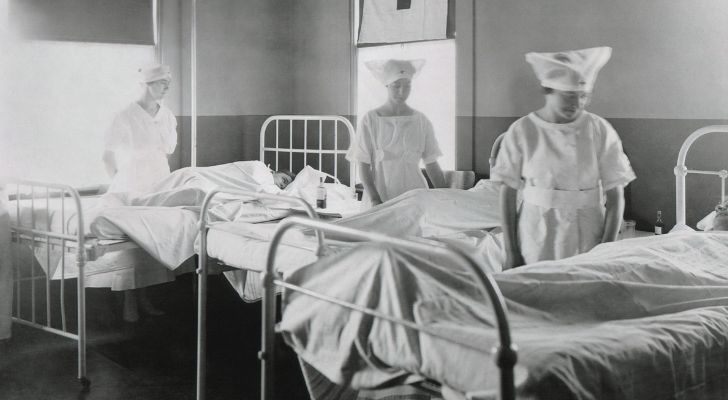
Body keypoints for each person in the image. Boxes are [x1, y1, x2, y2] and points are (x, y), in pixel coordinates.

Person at [491, 47, 636, 269]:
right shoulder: (523, 131)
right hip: (537, 234)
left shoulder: (599, 130)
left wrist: (605, 250)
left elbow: (616, 197)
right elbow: (507, 195)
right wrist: (511, 252)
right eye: (568, 97)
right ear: (548, 90)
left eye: (583, 97)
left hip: (588, 234)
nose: (576, 104)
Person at [102, 63, 178, 322]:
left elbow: (168, 148)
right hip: (132, 181)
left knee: (152, 241)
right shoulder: (125, 115)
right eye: (161, 83)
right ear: (147, 84)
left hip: (159, 179)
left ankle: (144, 297)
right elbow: (108, 155)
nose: (166, 87)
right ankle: (129, 301)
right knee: (130, 242)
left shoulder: (166, 115)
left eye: (168, 83)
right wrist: (120, 184)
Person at [347, 58, 446, 210]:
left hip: (414, 195)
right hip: (381, 195)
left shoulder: (420, 121)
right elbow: (363, 165)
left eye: (407, 86)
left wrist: (447, 196)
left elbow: (432, 163)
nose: (402, 92)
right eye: (396, 86)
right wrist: (375, 199)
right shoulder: (371, 120)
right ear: (387, 85)